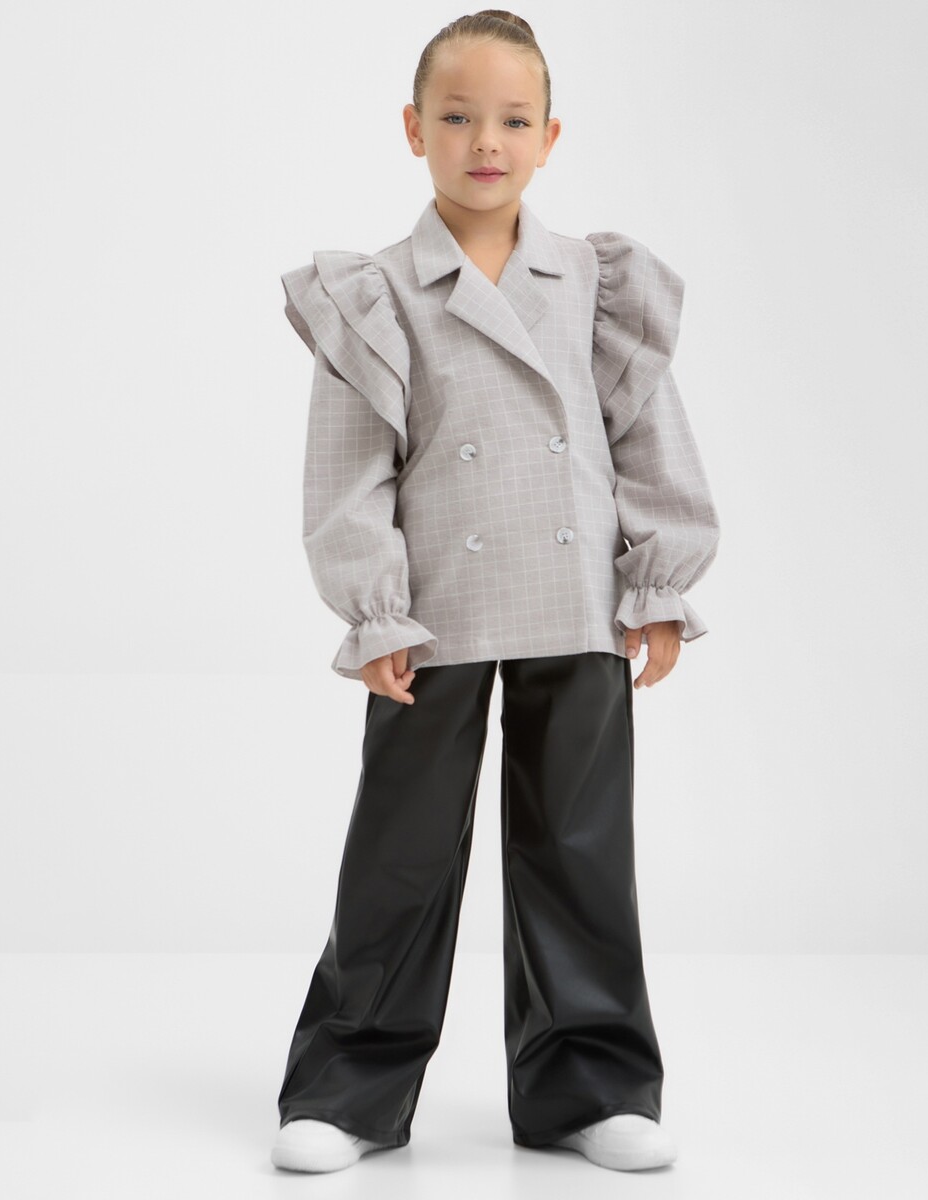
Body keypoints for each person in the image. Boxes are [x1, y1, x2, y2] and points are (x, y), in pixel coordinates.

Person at [271, 9, 720, 1175]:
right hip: (436, 611)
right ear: (412, 128)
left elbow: (646, 434)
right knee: (402, 852)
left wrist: (658, 582)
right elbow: (349, 473)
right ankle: (350, 1087)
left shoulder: (597, 282)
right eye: (459, 116)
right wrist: (372, 609)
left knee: (579, 849)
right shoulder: (374, 292)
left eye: (514, 120)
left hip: (576, 595)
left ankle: (590, 1085)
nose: (487, 142)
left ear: (550, 136)